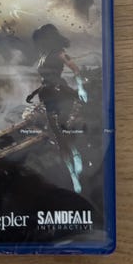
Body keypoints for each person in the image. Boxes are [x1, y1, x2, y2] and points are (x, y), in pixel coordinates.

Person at [26, 24, 87, 193]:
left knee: (62, 131)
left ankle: (75, 157)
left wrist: (81, 88)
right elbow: (46, 79)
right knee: (58, 137)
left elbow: (75, 69)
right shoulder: (43, 55)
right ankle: (73, 173)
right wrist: (33, 93)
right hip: (47, 96)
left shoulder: (59, 53)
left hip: (61, 94)